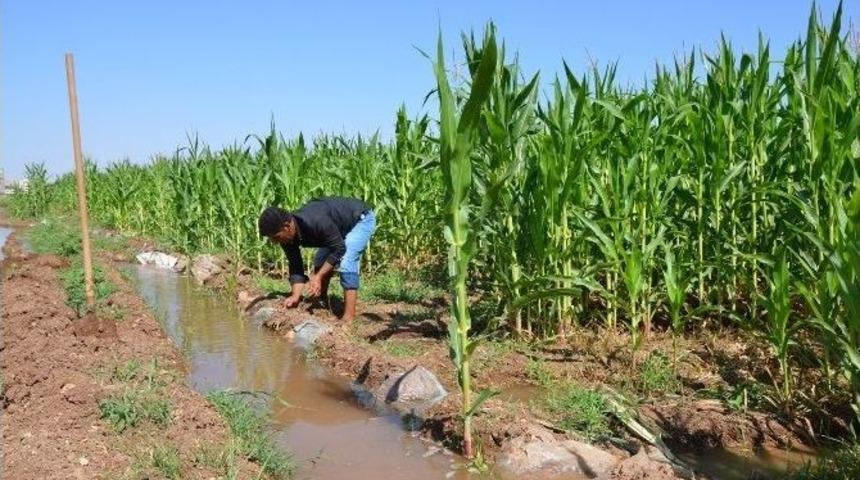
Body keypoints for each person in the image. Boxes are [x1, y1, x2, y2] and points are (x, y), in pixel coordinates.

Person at [258, 197, 376, 322]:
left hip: (360, 219)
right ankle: (322, 300)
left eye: (276, 238)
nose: (275, 242)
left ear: (287, 227)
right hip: (337, 228)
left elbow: (339, 249)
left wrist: (318, 276)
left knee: (347, 261)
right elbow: (295, 264)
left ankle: (349, 317)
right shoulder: (287, 237)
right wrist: (295, 296)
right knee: (320, 260)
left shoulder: (315, 221)